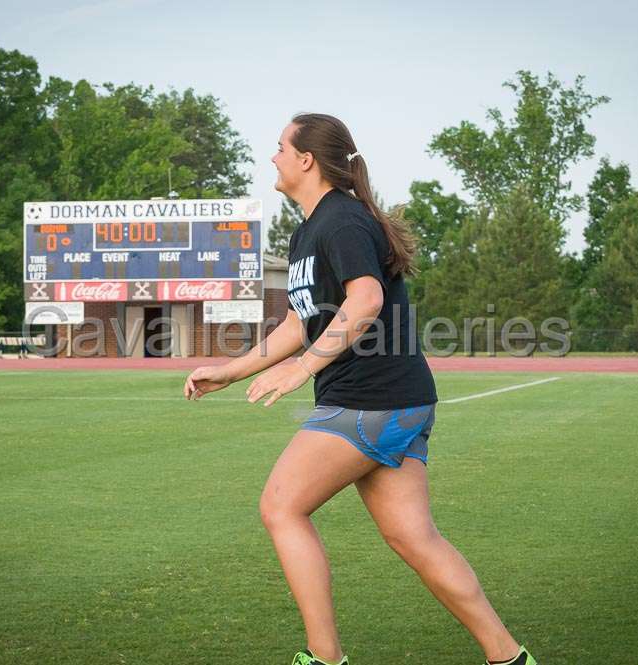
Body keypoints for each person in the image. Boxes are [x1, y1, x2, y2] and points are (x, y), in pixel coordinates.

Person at [183, 113, 537, 665]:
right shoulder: (310, 229)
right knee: (414, 538)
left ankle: (324, 659)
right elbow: (303, 321)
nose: (272, 157)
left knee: (282, 507)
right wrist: (230, 371)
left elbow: (365, 301)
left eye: (280, 147)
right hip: (399, 401)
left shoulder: (342, 222)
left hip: (369, 400)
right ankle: (508, 657)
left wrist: (301, 371)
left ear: (306, 160)